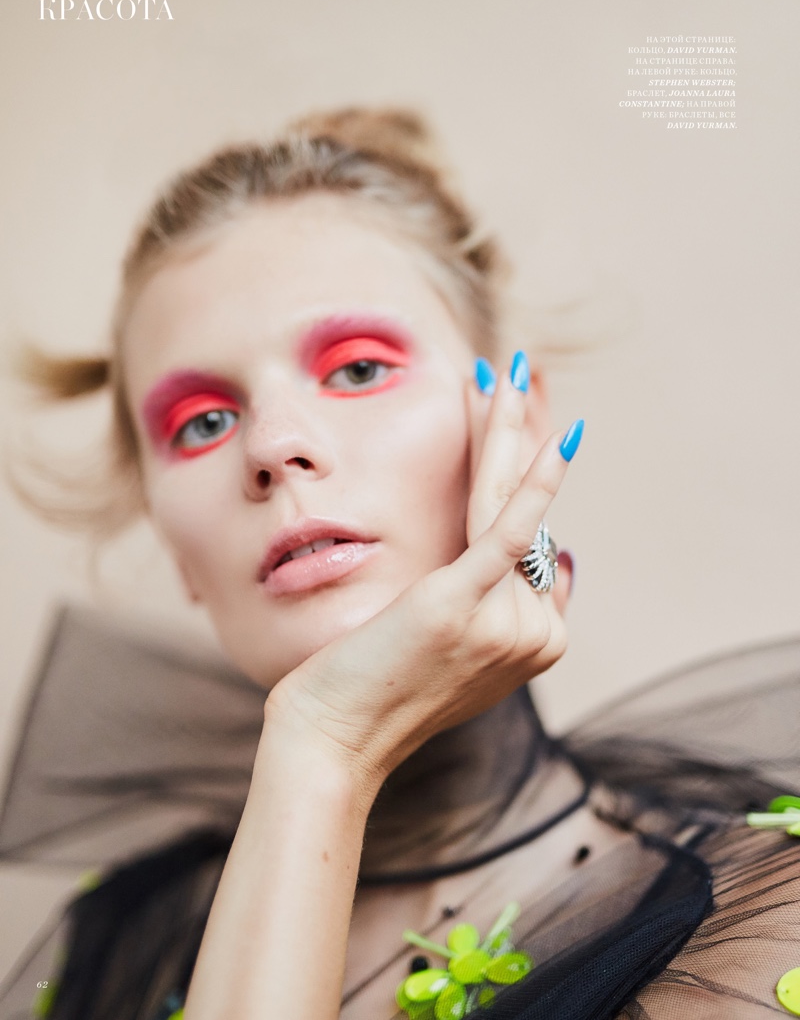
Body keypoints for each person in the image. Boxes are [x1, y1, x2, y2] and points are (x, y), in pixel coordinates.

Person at [2, 108, 799, 1020]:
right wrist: (319, 752)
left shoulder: (758, 922)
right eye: (203, 422)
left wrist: (328, 746)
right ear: (168, 536)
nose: (272, 445)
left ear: (514, 418)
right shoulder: (124, 936)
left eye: (357, 369)